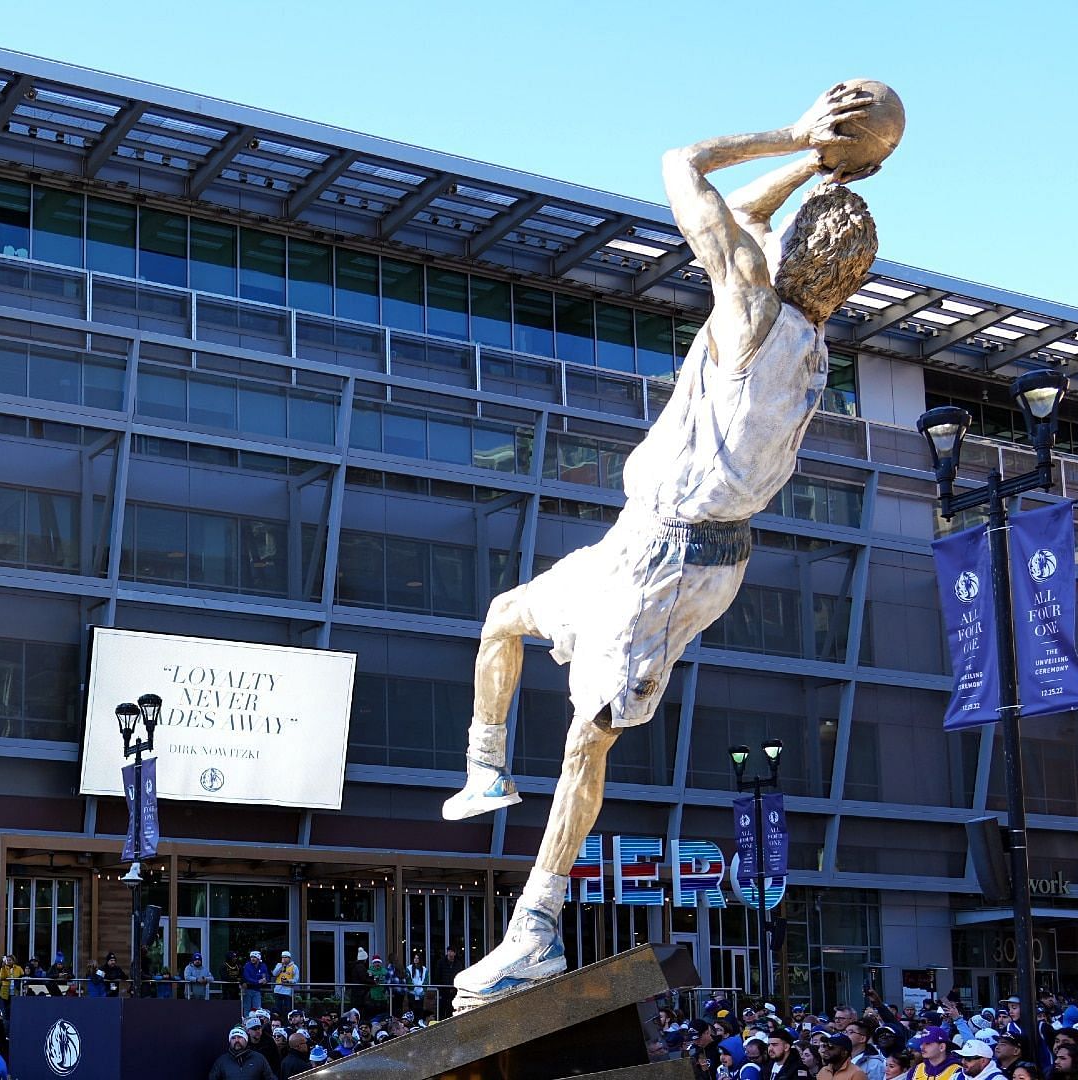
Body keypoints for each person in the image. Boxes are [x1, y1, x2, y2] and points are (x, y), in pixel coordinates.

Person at [443, 79, 894, 1008]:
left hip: (668, 559)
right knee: (504, 617)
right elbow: (749, 223)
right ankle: (486, 771)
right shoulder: (810, 336)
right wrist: (818, 167)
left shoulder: (752, 311)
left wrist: (798, 135)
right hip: (680, 547)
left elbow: (683, 169)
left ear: (790, 256)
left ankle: (533, 928)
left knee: (586, 743)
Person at [208, 1027, 277, 1080]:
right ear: (230, 1041)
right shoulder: (221, 1061)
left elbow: (271, 1078)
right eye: (233, 1038)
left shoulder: (259, 1058)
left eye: (240, 1037)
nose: (236, 1040)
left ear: (246, 1040)